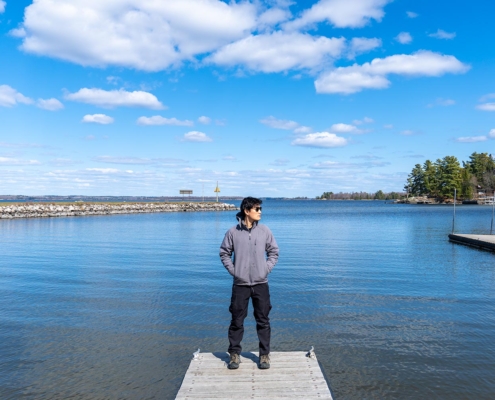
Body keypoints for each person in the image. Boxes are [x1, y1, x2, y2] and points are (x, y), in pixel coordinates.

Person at [219, 197, 279, 370]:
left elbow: (274, 252)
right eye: (257, 209)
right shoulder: (233, 232)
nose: (260, 211)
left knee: (263, 320)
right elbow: (224, 253)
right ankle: (234, 354)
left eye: (260, 208)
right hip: (240, 285)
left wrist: (265, 269)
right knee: (237, 320)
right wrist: (235, 271)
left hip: (261, 283)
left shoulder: (265, 231)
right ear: (247, 211)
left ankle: (265, 355)